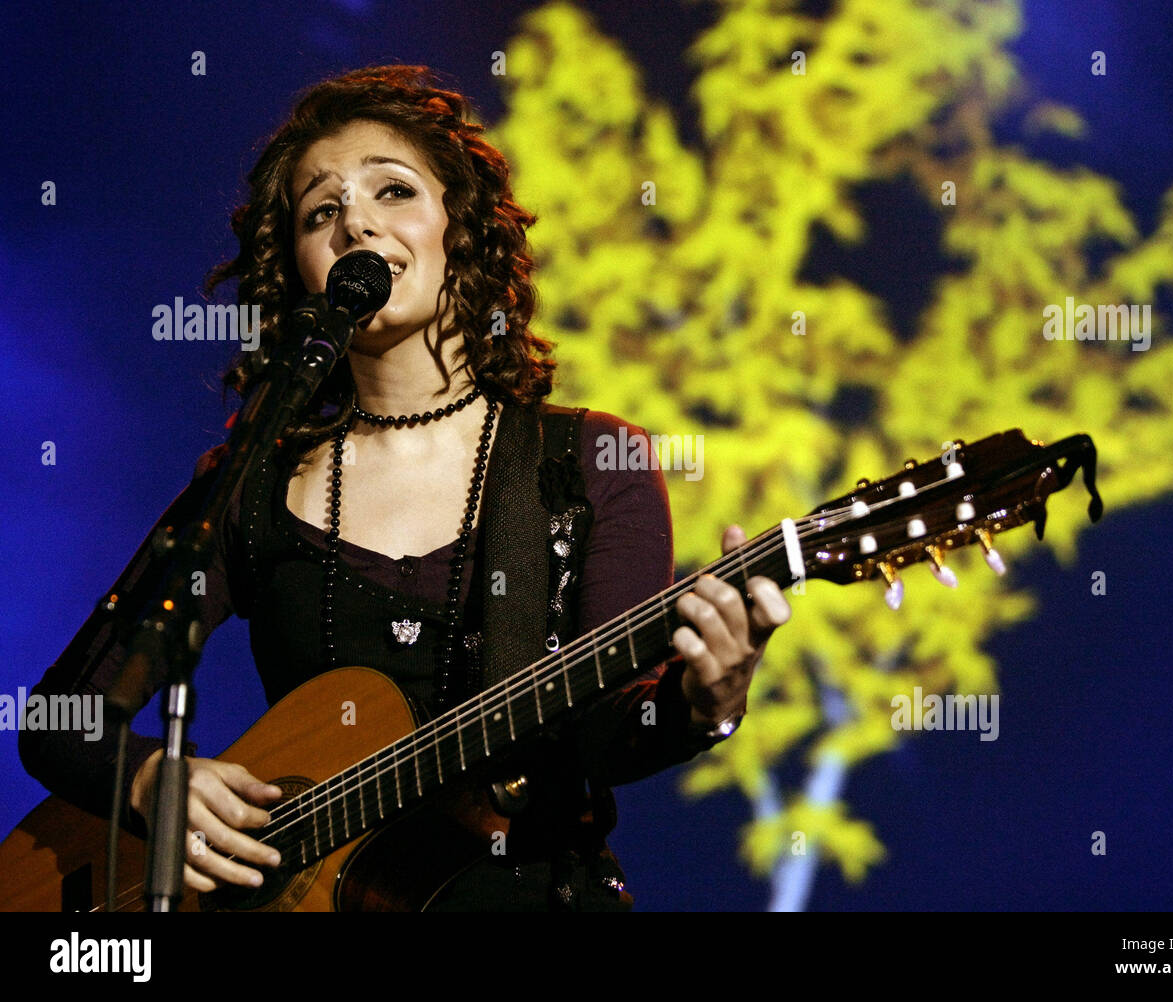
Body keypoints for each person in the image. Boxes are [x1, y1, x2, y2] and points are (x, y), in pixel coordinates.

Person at [18, 64, 791, 911]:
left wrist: (702, 700)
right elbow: (63, 718)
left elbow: (602, 734)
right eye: (322, 212)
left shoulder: (586, 463)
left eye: (392, 191)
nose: (355, 220)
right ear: (303, 273)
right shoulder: (254, 483)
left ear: (462, 228)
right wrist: (150, 781)